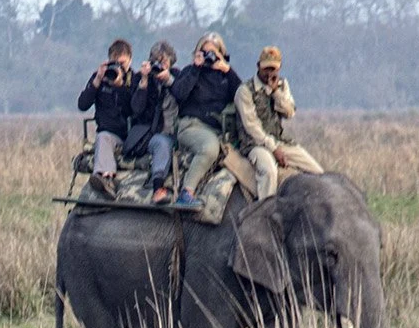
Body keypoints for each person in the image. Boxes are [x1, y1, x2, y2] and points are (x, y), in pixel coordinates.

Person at [234, 46, 323, 198]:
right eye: (266, 68)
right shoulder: (245, 91)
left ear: (279, 68)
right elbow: (251, 126)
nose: (269, 73)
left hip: (280, 141)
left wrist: (275, 92)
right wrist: (273, 148)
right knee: (269, 171)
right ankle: (264, 211)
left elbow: (289, 112)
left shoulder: (282, 85)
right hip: (254, 144)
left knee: (318, 172)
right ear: (258, 66)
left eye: (273, 69)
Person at [166, 32, 241, 211]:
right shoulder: (190, 71)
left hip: (217, 129)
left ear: (221, 54)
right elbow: (178, 93)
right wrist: (196, 68)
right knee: (209, 148)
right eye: (204, 52)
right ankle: (186, 193)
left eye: (213, 53)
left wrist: (228, 70)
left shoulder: (224, 76)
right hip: (191, 126)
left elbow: (242, 95)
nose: (209, 57)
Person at [76, 39, 135, 198]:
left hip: (130, 134)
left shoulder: (135, 79)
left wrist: (120, 86)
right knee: (103, 137)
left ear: (130, 60)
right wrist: (97, 81)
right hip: (108, 132)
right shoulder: (100, 78)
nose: (118, 67)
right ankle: (104, 177)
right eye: (115, 62)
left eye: (122, 63)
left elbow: (134, 108)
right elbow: (82, 105)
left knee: (104, 138)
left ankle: (107, 177)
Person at [129, 41, 178, 205]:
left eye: (164, 63)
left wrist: (169, 80)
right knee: (161, 143)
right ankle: (158, 188)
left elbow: (183, 95)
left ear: (171, 63)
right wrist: (144, 80)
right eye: (157, 62)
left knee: (165, 141)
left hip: (175, 131)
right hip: (151, 135)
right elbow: (136, 109)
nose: (160, 66)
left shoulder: (178, 77)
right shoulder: (140, 78)